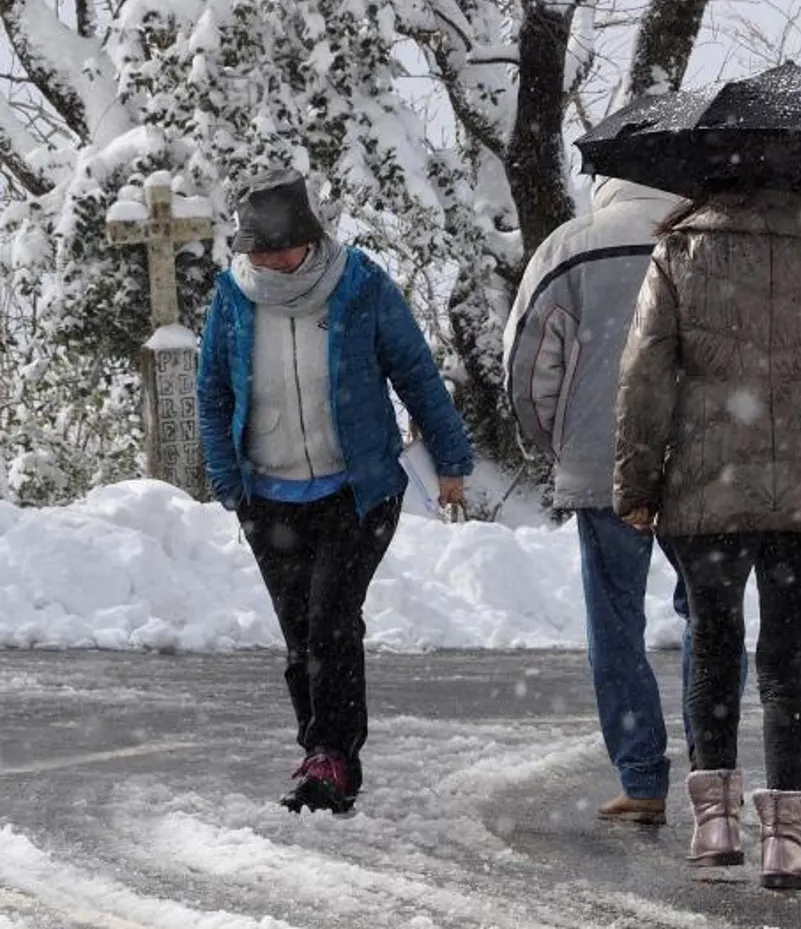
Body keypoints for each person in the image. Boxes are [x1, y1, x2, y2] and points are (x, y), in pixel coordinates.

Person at [613, 186, 801, 889]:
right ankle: (787, 842)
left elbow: (644, 372)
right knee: (787, 659)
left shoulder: (679, 249)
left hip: (710, 484)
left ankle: (715, 824)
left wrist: (637, 484)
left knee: (713, 639)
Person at [198, 166, 474, 815]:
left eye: (277, 247)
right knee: (300, 634)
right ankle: (320, 749)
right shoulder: (234, 297)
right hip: (267, 495)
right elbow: (211, 390)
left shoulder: (357, 284)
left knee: (330, 621)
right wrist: (226, 476)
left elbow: (414, 371)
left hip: (358, 488)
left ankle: (334, 753)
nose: (267, 260)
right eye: (256, 249)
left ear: (309, 236)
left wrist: (453, 458)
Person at [504, 177, 703, 825]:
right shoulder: (702, 239)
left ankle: (642, 778)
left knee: (616, 622)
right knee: (708, 615)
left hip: (601, 460)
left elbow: (529, 368)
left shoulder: (569, 247)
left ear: (604, 183)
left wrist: (556, 442)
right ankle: (713, 775)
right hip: (700, 460)